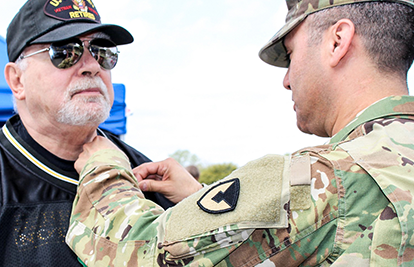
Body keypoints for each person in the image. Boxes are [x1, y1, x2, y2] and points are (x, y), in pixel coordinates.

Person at [66, 0, 414, 266]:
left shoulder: (324, 180)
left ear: (337, 41)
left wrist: (104, 168)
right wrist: (202, 199)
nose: (287, 79)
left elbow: (139, 251)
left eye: (291, 55)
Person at [0, 0, 174, 266]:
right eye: (64, 51)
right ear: (17, 80)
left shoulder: (147, 177)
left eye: (102, 52)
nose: (92, 65)